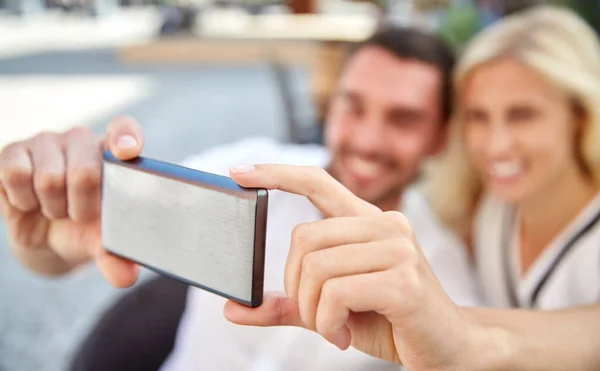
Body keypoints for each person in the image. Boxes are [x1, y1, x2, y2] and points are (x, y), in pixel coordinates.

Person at [0, 27, 481, 371]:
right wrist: (48, 232)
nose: (369, 139)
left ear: (439, 138)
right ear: (330, 106)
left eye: (404, 119)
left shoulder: (434, 268)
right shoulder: (246, 170)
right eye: (353, 107)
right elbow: (61, 256)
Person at [222, 5, 600, 370]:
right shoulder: (483, 206)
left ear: (582, 114)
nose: (496, 144)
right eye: (477, 117)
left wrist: (464, 341)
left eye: (524, 115)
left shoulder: (454, 239)